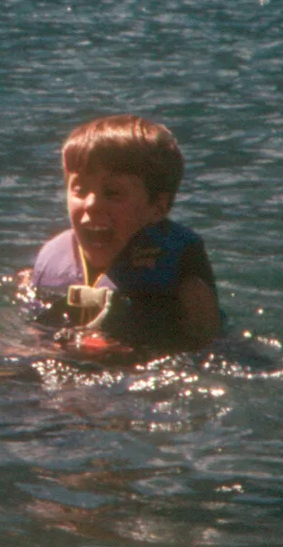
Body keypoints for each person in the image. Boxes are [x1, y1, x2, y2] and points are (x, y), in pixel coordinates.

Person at [20, 114, 221, 362]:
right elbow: (31, 333)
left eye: (113, 193)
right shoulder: (52, 260)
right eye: (80, 190)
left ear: (157, 207)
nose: (91, 204)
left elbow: (208, 348)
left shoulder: (185, 279)